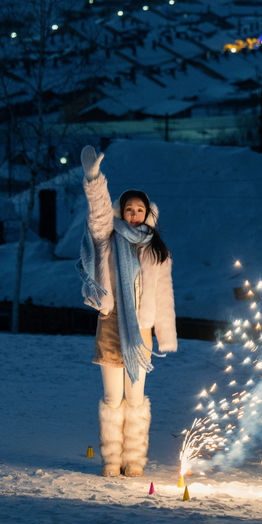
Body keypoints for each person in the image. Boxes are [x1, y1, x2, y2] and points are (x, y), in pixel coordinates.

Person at [77, 145, 177, 477]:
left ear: (147, 213)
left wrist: (166, 336)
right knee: (112, 398)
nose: (133, 214)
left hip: (141, 334)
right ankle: (110, 460)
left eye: (139, 210)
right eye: (129, 209)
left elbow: (164, 296)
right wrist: (94, 178)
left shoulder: (156, 252)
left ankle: (133, 461)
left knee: (136, 402)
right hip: (109, 325)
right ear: (122, 211)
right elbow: (99, 212)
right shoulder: (107, 238)